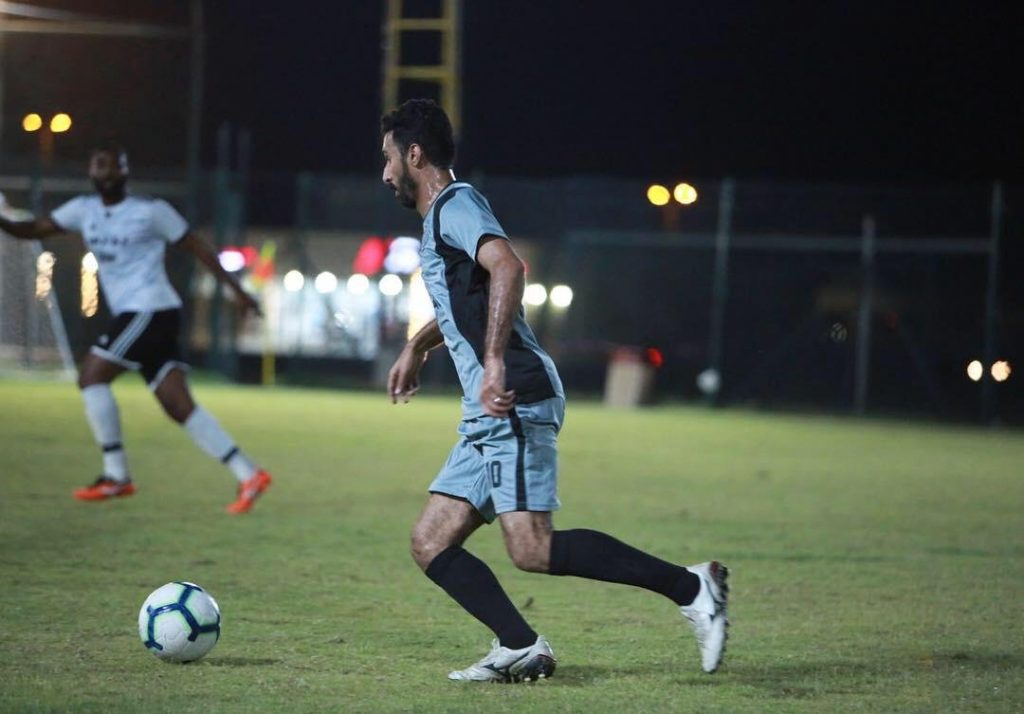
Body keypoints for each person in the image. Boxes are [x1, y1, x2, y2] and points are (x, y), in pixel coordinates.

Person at [381, 99, 729, 683]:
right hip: (489, 408)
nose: (385, 172)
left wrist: (495, 361)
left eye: (388, 158)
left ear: (414, 155)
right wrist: (418, 346)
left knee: (532, 547)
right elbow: (464, 301)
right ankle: (519, 645)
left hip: (512, 396)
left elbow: (508, 267)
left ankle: (693, 588)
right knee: (430, 541)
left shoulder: (455, 204)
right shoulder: (441, 219)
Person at [0, 142, 272, 514]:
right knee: (178, 404)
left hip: (150, 309)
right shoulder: (83, 210)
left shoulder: (150, 211)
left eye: (115, 166)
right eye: (100, 166)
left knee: (91, 376)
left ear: (126, 172)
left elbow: (199, 247)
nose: (108, 172)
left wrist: (238, 292)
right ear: (91, 172)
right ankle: (249, 473)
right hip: (143, 314)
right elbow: (30, 229)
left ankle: (116, 475)